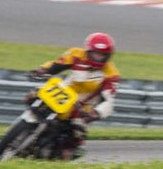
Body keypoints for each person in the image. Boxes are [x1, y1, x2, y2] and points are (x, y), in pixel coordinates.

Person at [26, 31, 119, 159]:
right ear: (88, 50)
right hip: (63, 91)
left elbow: (109, 100)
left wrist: (96, 113)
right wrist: (42, 70)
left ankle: (65, 156)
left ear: (108, 56)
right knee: (33, 96)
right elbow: (56, 65)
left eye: (102, 55)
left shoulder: (111, 74)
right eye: (95, 53)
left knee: (77, 132)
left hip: (84, 106)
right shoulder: (75, 54)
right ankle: (25, 125)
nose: (98, 57)